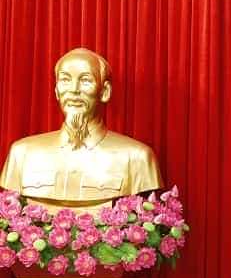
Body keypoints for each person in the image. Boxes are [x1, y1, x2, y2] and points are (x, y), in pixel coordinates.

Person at [0, 48, 163, 212]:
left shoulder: (136, 158)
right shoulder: (22, 154)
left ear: (105, 91)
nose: (74, 90)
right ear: (56, 91)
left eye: (85, 80)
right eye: (65, 80)